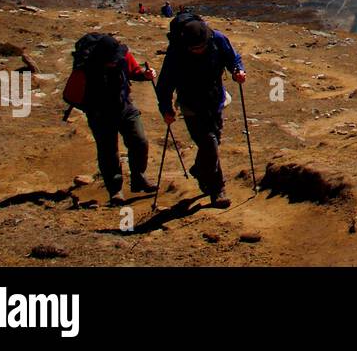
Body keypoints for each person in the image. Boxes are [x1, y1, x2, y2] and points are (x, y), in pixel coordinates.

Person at [154, 13, 245, 208]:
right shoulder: (176, 52)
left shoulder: (217, 38)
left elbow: (232, 58)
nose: (199, 50)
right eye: (194, 48)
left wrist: (238, 70)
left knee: (214, 140)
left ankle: (199, 168)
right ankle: (217, 189)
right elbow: (164, 85)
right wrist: (166, 108)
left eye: (202, 46)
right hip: (191, 105)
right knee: (209, 142)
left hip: (215, 100)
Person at [74, 33, 157, 204]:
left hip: (124, 106)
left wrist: (145, 75)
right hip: (99, 112)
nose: (114, 62)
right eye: (110, 60)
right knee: (108, 151)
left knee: (140, 141)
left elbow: (134, 71)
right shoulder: (87, 65)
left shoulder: (123, 54)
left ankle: (139, 177)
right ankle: (115, 189)